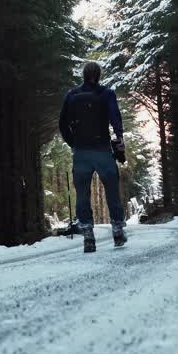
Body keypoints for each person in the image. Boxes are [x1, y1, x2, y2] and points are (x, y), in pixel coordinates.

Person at [59, 61, 127, 252]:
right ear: (99, 75)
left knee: (82, 194)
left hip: (80, 152)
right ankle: (117, 231)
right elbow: (115, 117)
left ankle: (88, 235)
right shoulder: (106, 94)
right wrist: (119, 138)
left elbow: (62, 124)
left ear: (83, 75)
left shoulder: (71, 95)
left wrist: (73, 143)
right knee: (112, 190)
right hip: (103, 150)